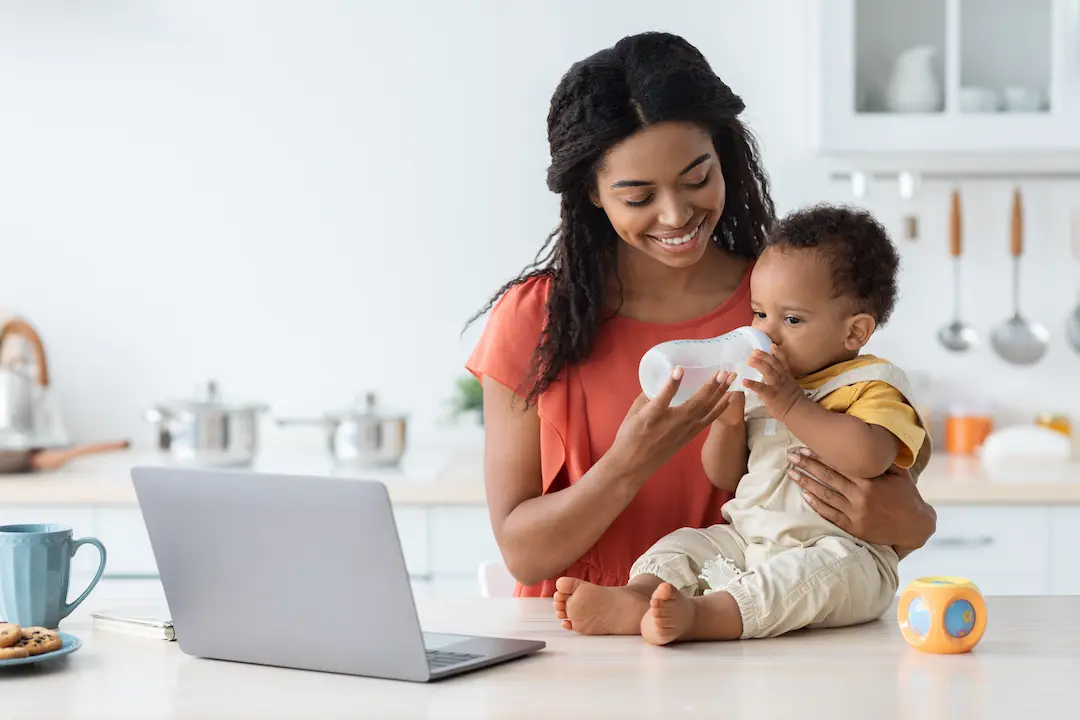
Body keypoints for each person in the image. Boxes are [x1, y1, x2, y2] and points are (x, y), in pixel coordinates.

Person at [464, 31, 936, 616]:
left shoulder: (785, 309)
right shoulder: (536, 320)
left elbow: (870, 512)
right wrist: (629, 460)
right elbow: (524, 556)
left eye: (695, 179)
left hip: (740, 636)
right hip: (575, 640)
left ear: (723, 156)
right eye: (638, 197)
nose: (676, 214)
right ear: (592, 193)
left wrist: (914, 519)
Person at [564, 204, 931, 645]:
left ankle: (701, 617)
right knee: (686, 544)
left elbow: (870, 457)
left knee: (811, 575)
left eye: (792, 319)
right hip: (748, 541)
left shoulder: (871, 384)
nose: (768, 333)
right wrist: (729, 423)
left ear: (854, 333)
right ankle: (639, 596)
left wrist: (791, 404)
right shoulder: (766, 386)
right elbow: (724, 476)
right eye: (759, 313)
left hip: (840, 552)